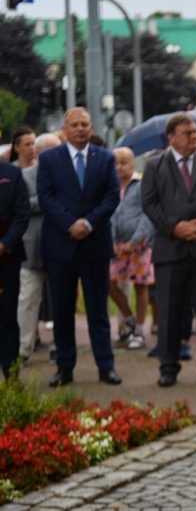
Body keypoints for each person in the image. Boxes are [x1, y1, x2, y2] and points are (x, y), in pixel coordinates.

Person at [141, 112, 196, 387]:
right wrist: (175, 227)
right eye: (188, 133)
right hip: (171, 250)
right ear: (171, 137)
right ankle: (168, 367)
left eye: (195, 132)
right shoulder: (155, 166)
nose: (195, 137)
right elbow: (149, 203)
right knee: (168, 310)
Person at [37, 107, 122, 386]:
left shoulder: (106, 158)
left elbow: (111, 197)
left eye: (85, 124)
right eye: (74, 125)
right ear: (65, 129)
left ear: (91, 126)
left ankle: (105, 366)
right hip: (60, 246)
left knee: (98, 310)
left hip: (94, 244)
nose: (80, 129)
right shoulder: (49, 158)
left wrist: (88, 223)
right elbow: (46, 197)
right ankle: (64, 368)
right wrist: (69, 224)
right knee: (62, 311)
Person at [16, 132, 61, 362]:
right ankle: (23, 349)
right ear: (39, 153)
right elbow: (23, 205)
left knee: (61, 299)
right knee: (28, 299)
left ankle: (60, 347)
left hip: (62, 246)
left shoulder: (67, 175)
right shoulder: (24, 176)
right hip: (32, 247)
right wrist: (48, 198)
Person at [108, 147, 155, 350]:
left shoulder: (141, 184)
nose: (119, 167)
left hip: (138, 244)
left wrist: (134, 242)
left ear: (133, 164)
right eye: (115, 163)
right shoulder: (109, 186)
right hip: (116, 245)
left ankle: (139, 330)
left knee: (140, 286)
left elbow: (147, 215)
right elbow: (108, 215)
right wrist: (111, 242)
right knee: (108, 282)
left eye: (123, 162)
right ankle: (129, 319)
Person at [0, 158, 30, 379]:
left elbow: (22, 214)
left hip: (6, 259)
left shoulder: (13, 174)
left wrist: (4, 244)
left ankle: (11, 377)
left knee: (7, 318)